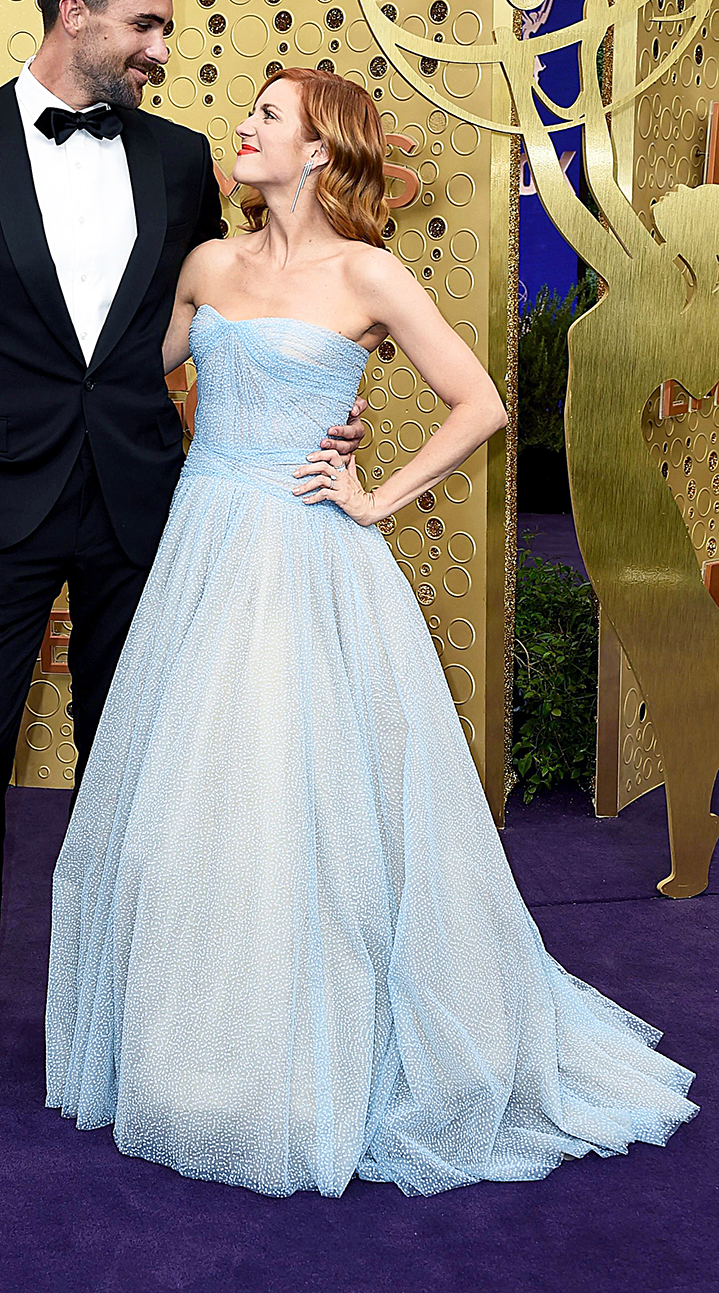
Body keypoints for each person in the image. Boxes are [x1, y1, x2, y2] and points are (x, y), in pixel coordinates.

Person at [36, 67, 697, 1198]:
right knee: (190, 812)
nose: (242, 128)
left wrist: (377, 495)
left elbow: (481, 401)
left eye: (266, 118)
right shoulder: (206, 265)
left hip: (307, 558)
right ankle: (196, 1059)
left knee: (309, 809)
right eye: (248, 113)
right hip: (204, 548)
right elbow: (116, 381)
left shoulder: (369, 274)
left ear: (320, 150)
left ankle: (315, 1056)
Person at [0, 0, 368, 1136]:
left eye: (164, 29)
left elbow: (248, 303)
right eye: (144, 24)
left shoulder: (183, 158)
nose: (158, 51)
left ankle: (131, 1011)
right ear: (73, 14)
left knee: (134, 770)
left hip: (150, 509)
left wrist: (319, 420)